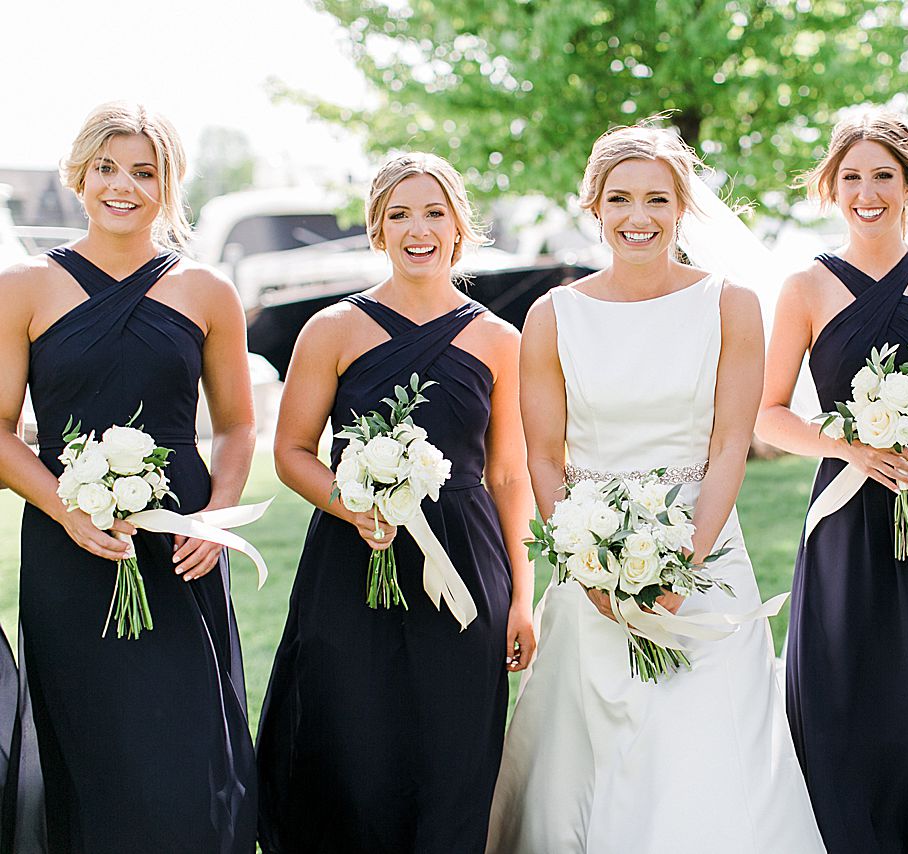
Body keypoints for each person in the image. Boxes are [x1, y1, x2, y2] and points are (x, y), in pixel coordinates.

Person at [486, 122, 825, 854]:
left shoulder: (731, 305)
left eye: (657, 199)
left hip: (705, 558)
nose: (638, 217)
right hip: (589, 559)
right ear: (594, 208)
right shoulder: (552, 315)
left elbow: (731, 441)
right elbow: (544, 456)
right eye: (620, 200)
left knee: (708, 746)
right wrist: (588, 567)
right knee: (590, 747)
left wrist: (686, 565)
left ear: (682, 208)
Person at [256, 152, 534, 854]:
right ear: (378, 229)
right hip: (353, 565)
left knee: (453, 754)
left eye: (434, 212)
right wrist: (353, 506)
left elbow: (508, 475)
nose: (418, 229)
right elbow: (290, 451)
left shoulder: (502, 341)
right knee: (354, 749)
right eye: (399, 214)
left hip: (465, 567)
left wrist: (522, 599)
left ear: (460, 225)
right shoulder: (332, 330)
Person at [0, 101, 257, 852]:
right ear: (79, 175)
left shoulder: (208, 290)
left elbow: (239, 426)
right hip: (67, 547)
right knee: (89, 748)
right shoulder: (24, 288)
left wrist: (216, 519)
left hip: (183, 548)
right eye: (107, 168)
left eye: (145, 172)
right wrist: (64, 509)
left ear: (168, 185)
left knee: (186, 749)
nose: (123, 185)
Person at [755, 110, 908, 852]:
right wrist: (848, 446)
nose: (867, 192)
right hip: (847, 518)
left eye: (884, 177)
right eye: (852, 177)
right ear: (831, 187)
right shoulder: (804, 286)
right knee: (843, 704)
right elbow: (767, 415)